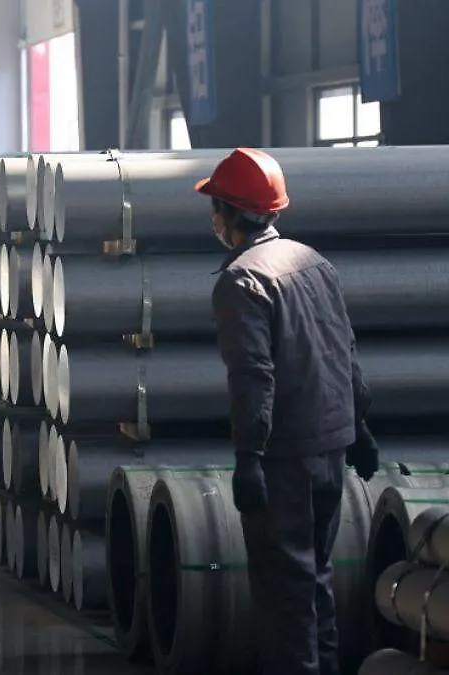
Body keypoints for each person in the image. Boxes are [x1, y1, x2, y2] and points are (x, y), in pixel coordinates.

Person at [199, 148, 380, 675]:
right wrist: (359, 426)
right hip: (332, 445)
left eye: (215, 206)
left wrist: (248, 457)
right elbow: (345, 351)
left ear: (232, 214)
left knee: (284, 596)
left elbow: (253, 376)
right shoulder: (313, 262)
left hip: (286, 458)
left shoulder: (241, 280)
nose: (213, 218)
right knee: (315, 580)